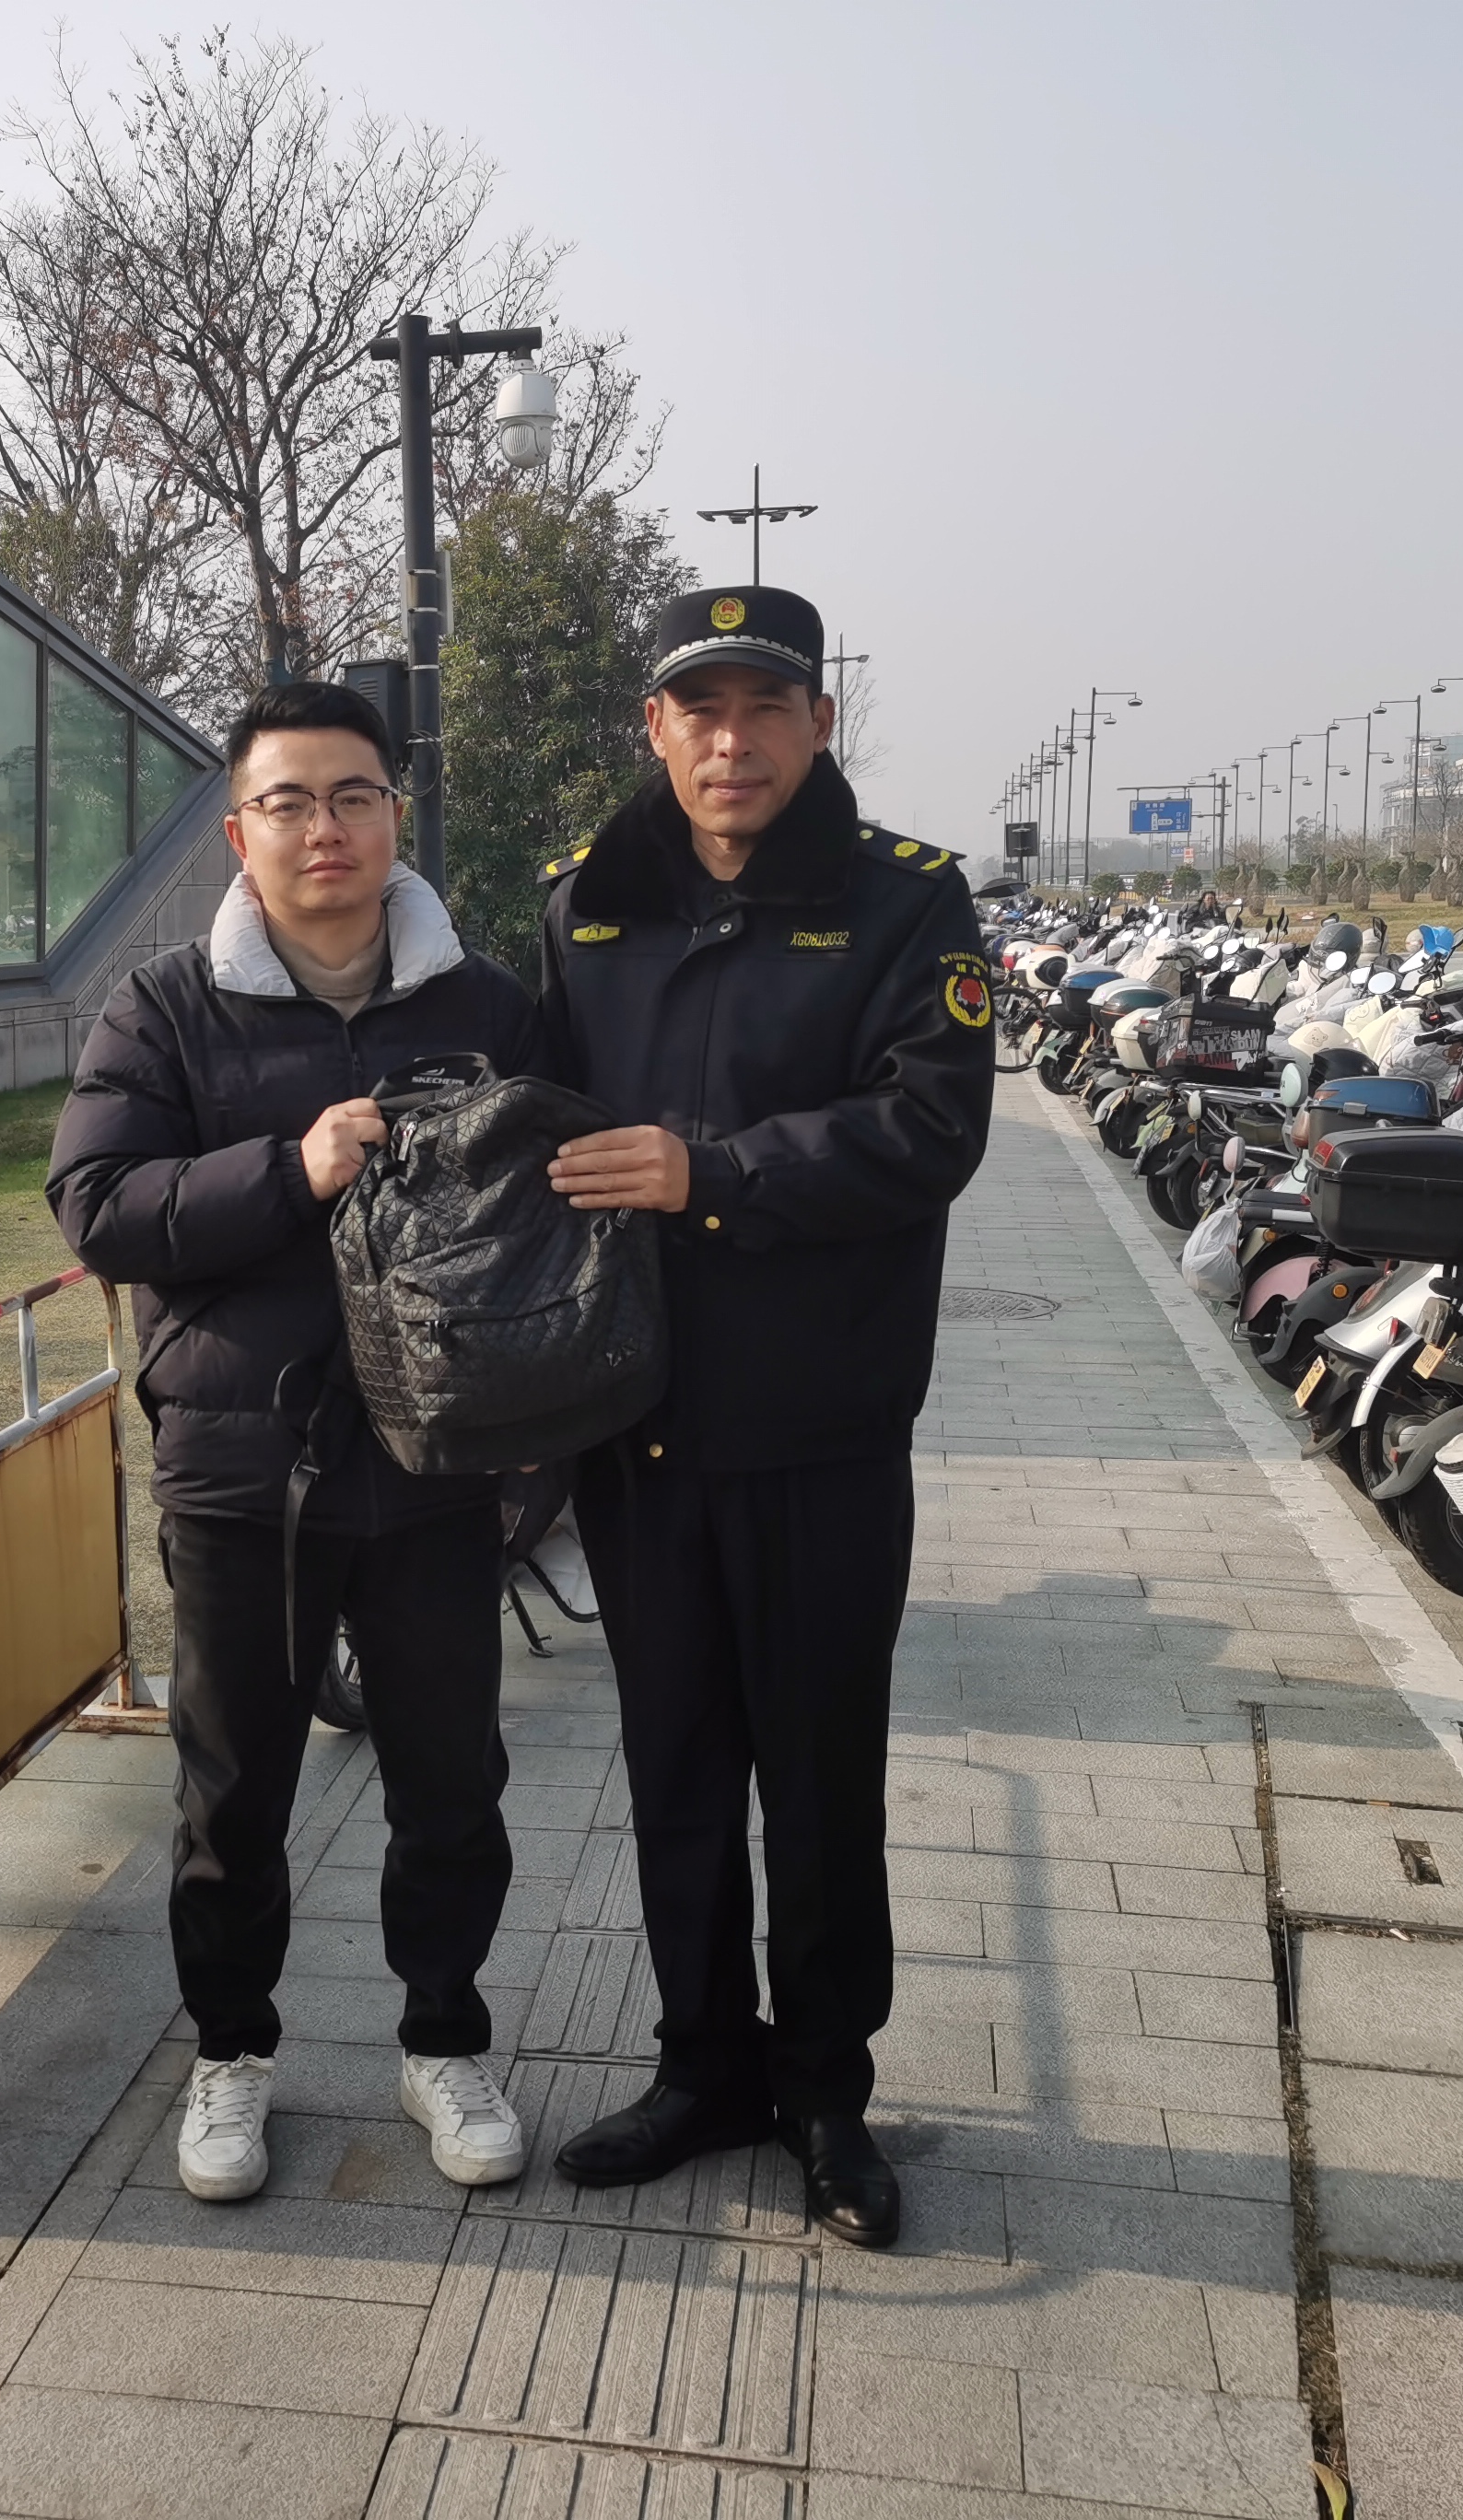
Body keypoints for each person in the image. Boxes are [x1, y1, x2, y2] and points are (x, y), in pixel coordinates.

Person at [533, 585, 995, 2246]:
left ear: (818, 723)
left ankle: (824, 2095)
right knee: (672, 1768)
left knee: (818, 1780)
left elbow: (932, 1130)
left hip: (821, 1431)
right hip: (637, 1428)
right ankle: (703, 2069)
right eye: (701, 710)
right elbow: (532, 1115)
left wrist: (710, 1173)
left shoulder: (907, 903)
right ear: (655, 728)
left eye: (765, 708)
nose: (732, 742)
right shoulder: (586, 905)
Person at [47, 680, 536, 2204]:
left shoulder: (485, 1006)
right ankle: (231, 2055)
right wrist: (292, 1166)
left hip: (440, 1463)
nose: (324, 828)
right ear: (238, 831)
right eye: (288, 802)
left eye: (353, 796)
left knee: (452, 1784)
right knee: (233, 1794)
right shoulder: (165, 1006)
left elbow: (550, 1206)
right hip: (242, 1472)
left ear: (396, 814)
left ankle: (445, 2041)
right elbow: (99, 1207)